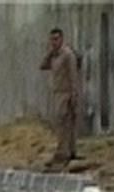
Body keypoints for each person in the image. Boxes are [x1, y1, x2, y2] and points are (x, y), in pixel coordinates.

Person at [39, 27, 79, 168]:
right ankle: (65, 151)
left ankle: (65, 152)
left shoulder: (68, 55)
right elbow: (43, 66)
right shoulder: (55, 56)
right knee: (60, 123)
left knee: (65, 123)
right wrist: (50, 53)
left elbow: (73, 76)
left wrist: (74, 95)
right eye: (52, 39)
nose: (54, 42)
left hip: (66, 92)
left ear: (62, 39)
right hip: (57, 93)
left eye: (56, 39)